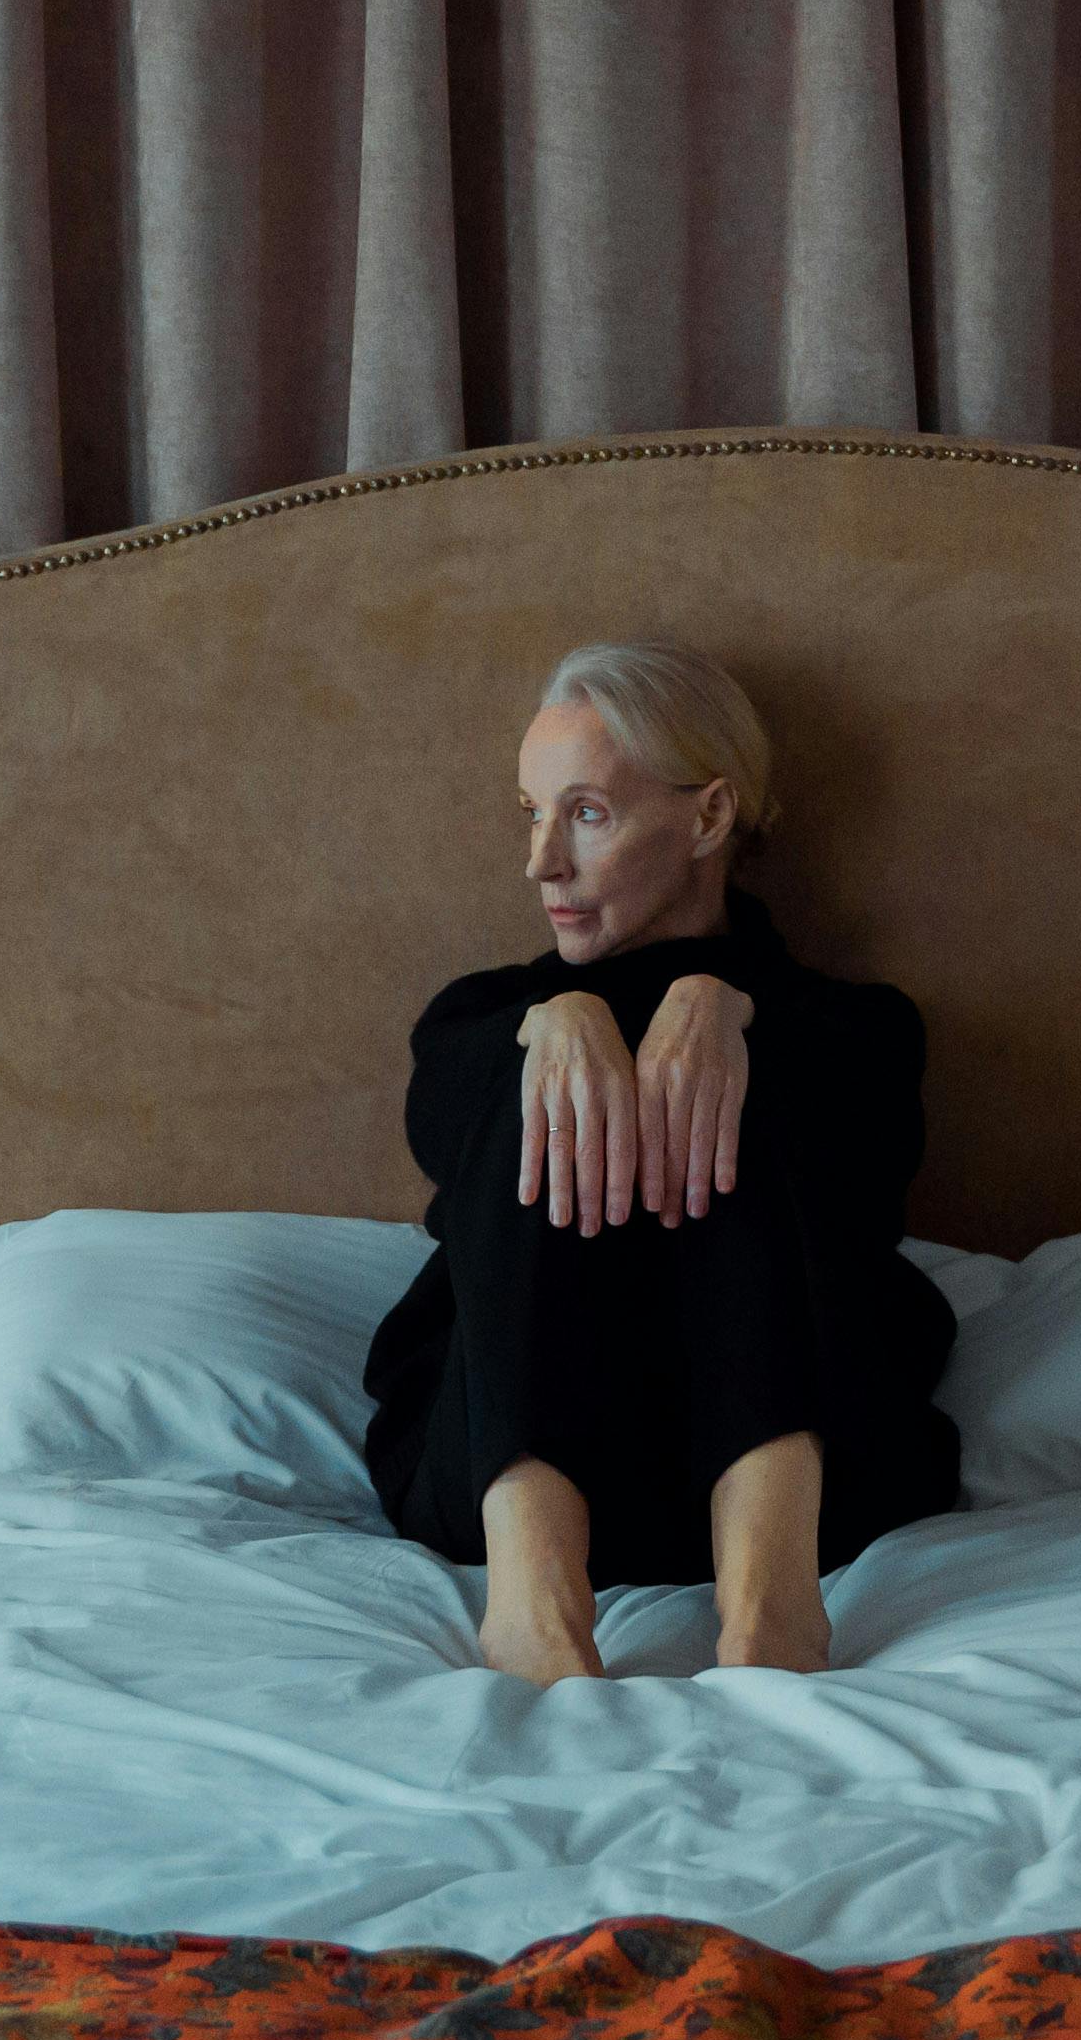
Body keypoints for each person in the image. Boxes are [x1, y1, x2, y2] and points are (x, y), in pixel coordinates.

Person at [358, 642, 962, 1682]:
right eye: (531, 813)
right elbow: (440, 1117)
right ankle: (533, 1605)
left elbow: (874, 1149)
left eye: (586, 812)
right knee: (526, 1079)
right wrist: (548, 1025)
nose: (541, 860)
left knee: (744, 1085)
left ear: (710, 818)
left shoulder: (852, 1028)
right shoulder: (476, 1022)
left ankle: (773, 1609)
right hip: (506, 1472)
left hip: (819, 1488)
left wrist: (732, 1009)